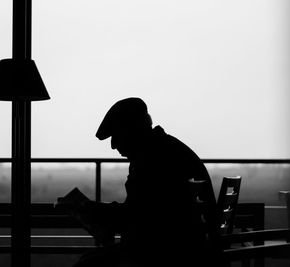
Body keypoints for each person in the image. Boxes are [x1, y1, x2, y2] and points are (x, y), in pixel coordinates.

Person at [72, 97, 218, 267]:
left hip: (166, 253)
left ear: (132, 130)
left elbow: (136, 215)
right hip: (186, 249)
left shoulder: (151, 160)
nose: (113, 145)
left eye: (116, 135)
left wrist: (92, 210)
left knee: (86, 264)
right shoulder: (164, 150)